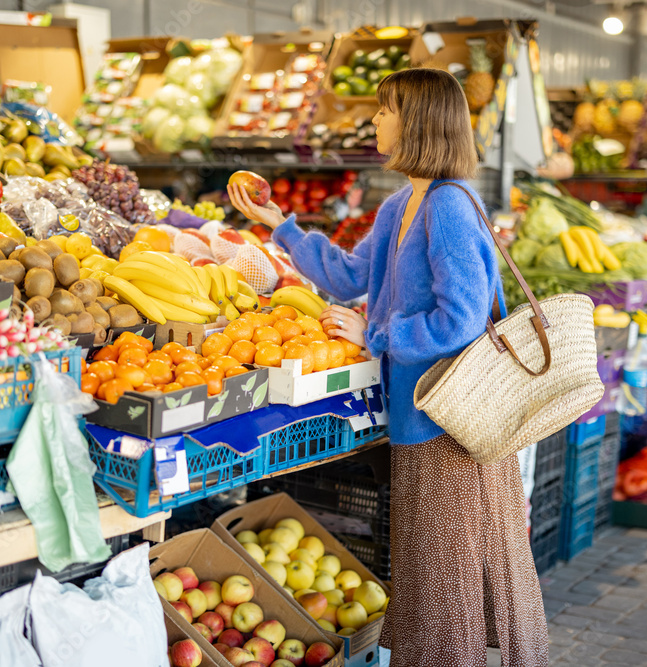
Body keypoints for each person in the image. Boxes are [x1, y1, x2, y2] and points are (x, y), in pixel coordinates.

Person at [228, 67, 550, 667]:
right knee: (427, 579)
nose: (375, 119)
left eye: (386, 109)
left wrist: (375, 334)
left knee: (447, 586)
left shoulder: (449, 207)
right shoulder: (403, 202)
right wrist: (282, 229)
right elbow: (351, 277)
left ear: (420, 122)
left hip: (450, 425)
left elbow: (459, 320)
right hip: (416, 416)